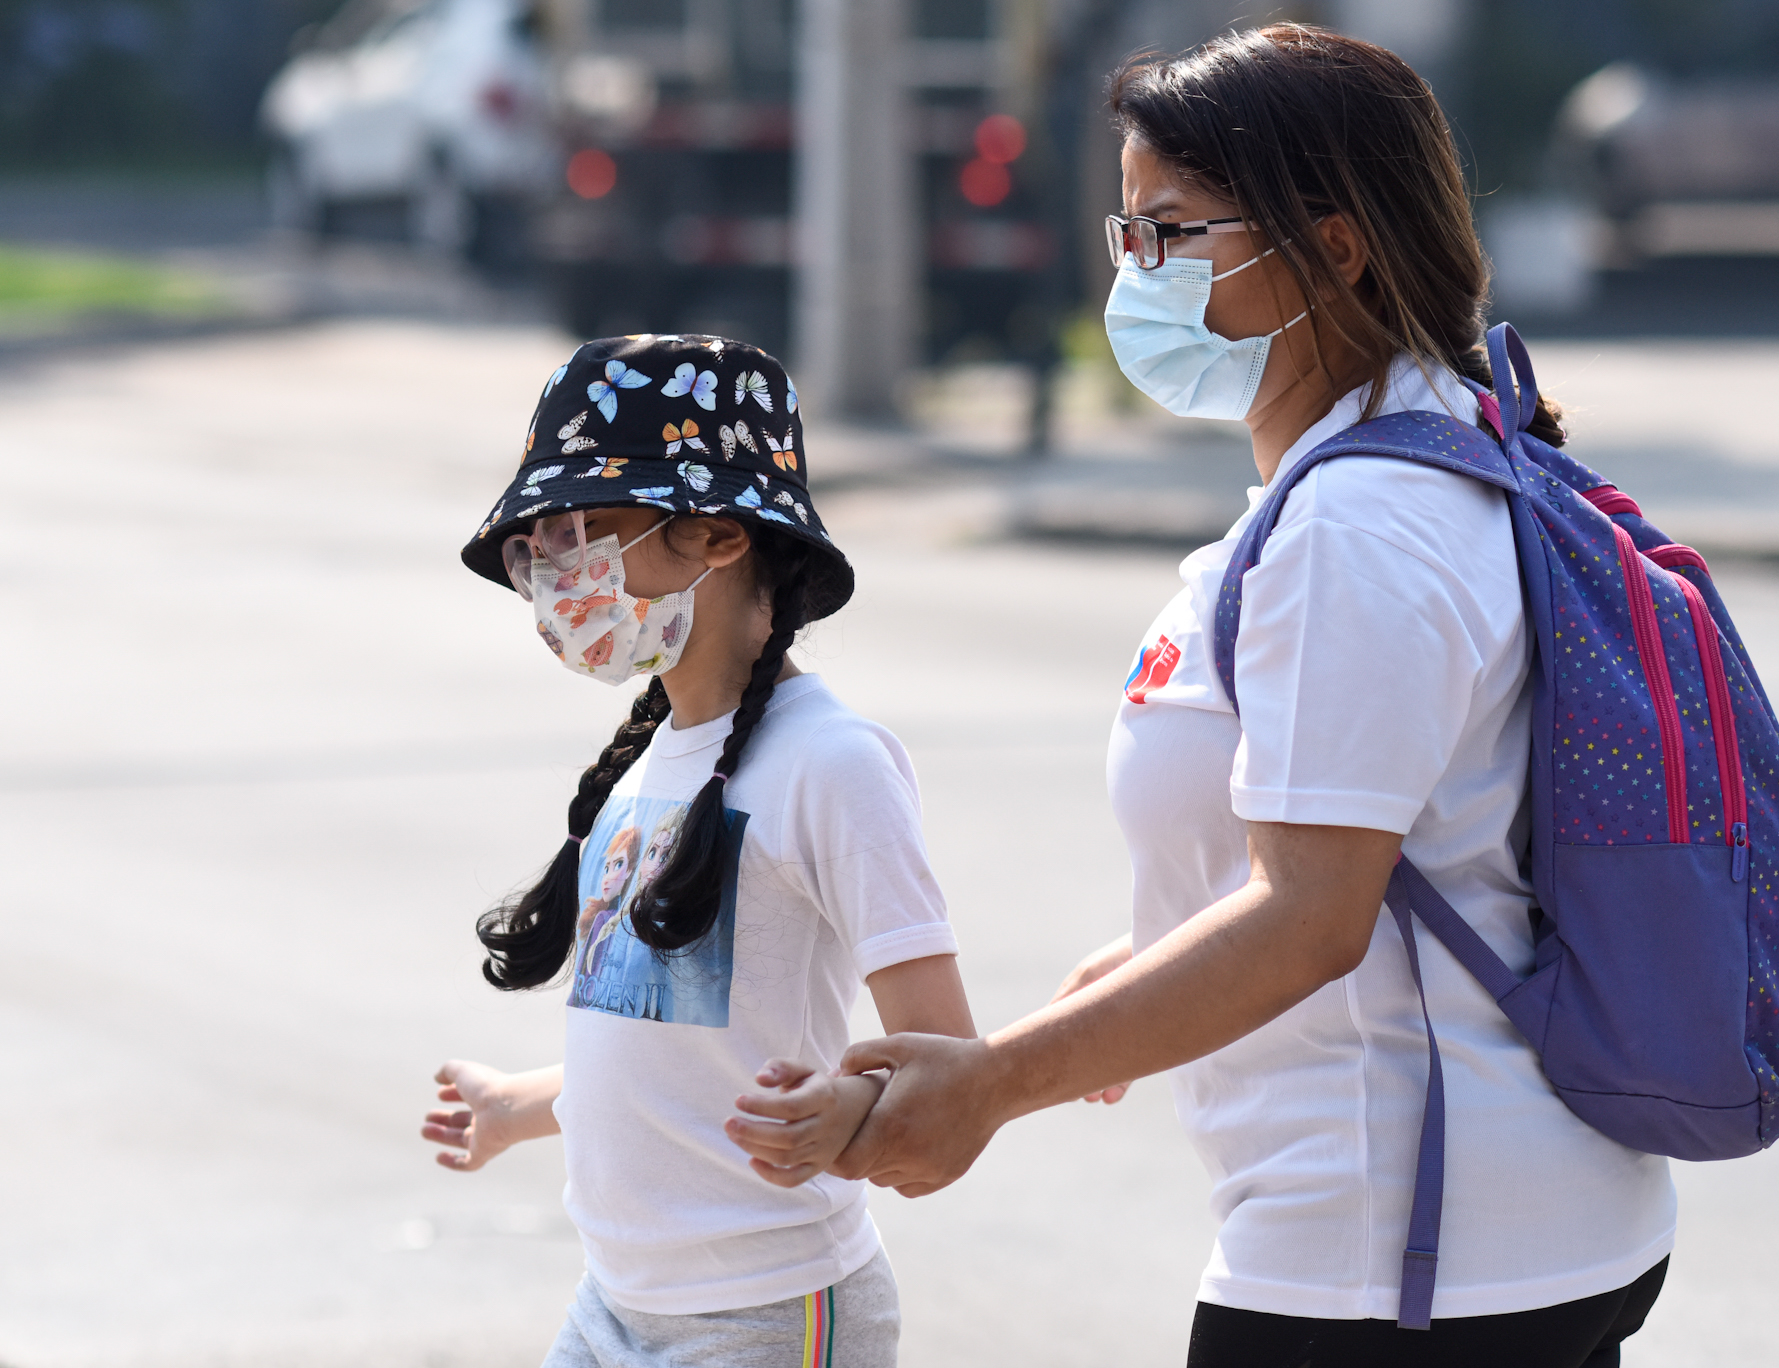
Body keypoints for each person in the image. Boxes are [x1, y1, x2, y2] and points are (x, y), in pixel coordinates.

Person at [730, 26, 1675, 1368]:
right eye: (1127, 236)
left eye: (1173, 233)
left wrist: (994, 1086)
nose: (1137, 276)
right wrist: (1157, 961)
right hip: (1506, 1229)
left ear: (1333, 248)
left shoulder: (1357, 530)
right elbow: (1418, 834)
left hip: (1395, 1251)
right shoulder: (1440, 463)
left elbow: (1309, 921)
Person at [419, 335, 975, 1368]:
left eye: (579, 531)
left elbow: (948, 1059)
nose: (549, 573)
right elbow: (668, 1049)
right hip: (612, 1303)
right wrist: (517, 1107)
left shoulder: (832, 763)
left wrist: (849, 1108)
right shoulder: (644, 768)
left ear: (716, 535)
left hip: (765, 1313)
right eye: (531, 547)